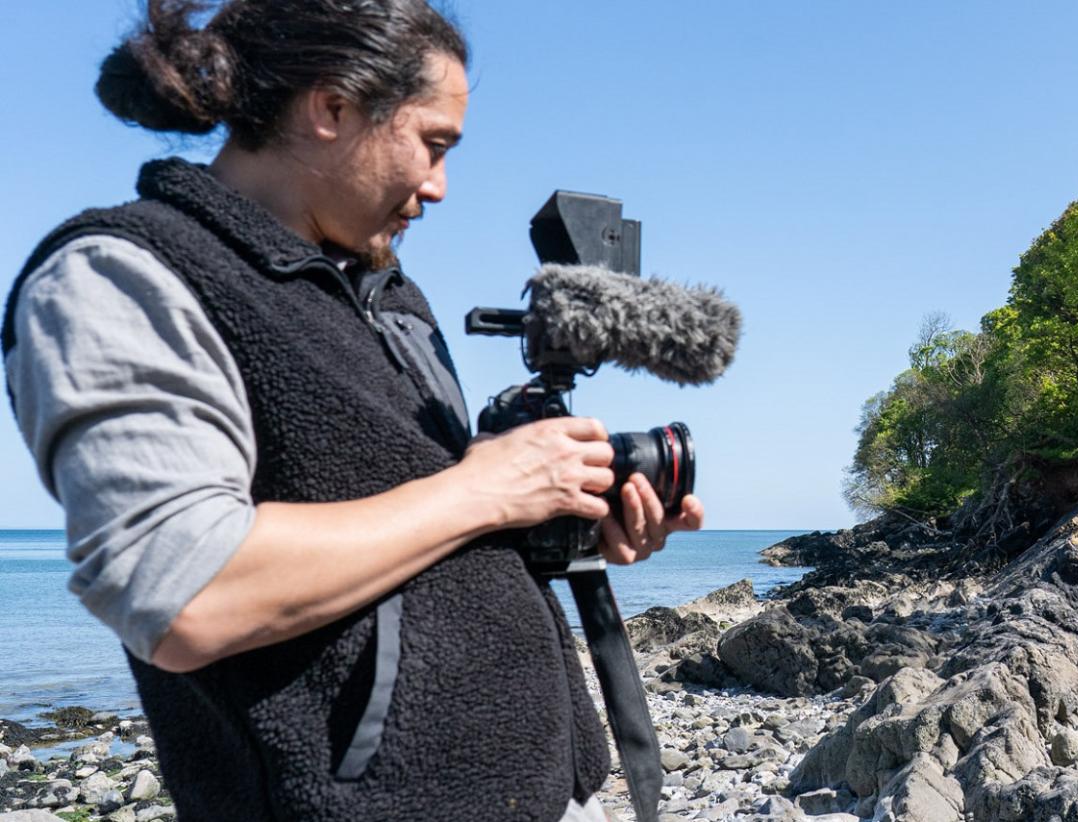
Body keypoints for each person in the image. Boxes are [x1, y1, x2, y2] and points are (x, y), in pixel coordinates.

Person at [2, 2, 701, 820]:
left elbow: (427, 533)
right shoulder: (120, 275)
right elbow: (184, 591)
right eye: (433, 144)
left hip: (534, 793)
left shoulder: (394, 296)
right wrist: (489, 489)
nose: (440, 186)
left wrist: (560, 522)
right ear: (331, 108)